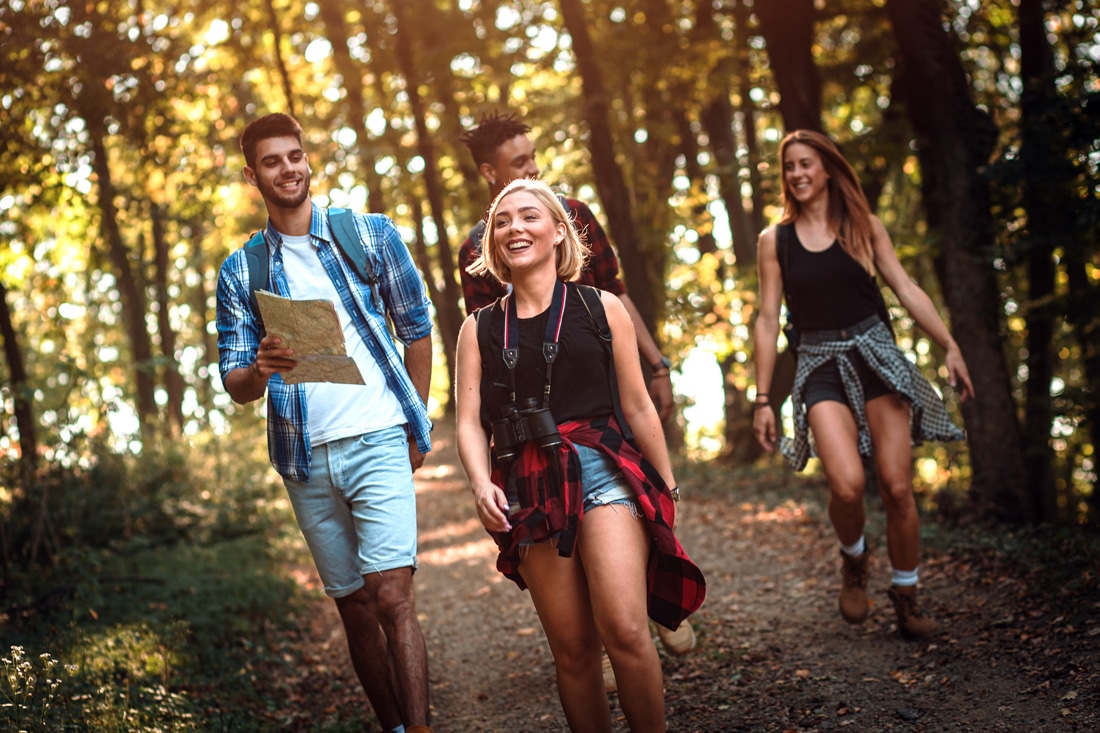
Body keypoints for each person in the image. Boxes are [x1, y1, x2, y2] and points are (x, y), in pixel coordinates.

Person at [454, 179, 705, 732]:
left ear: (559, 234)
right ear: (492, 245)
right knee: (572, 649)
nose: (514, 227)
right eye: (502, 222)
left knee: (626, 629)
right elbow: (468, 423)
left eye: (529, 216)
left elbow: (638, 407)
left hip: (605, 470)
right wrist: (479, 483)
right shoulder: (477, 329)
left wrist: (666, 488)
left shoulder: (603, 306)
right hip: (527, 482)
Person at [215, 113, 436, 733]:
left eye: (295, 155)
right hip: (304, 460)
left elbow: (416, 327)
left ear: (308, 160)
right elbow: (235, 384)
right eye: (271, 161)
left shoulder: (369, 236)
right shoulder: (241, 272)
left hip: (376, 435)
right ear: (251, 175)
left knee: (393, 598)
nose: (288, 169)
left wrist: (411, 421)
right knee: (357, 608)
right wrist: (260, 369)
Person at [752, 129, 975, 638]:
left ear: (828, 168)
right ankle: (854, 558)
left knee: (897, 488)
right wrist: (764, 398)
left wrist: (950, 345)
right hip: (818, 362)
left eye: (806, 163)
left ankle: (906, 597)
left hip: (876, 355)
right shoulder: (775, 241)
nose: (798, 174)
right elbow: (767, 321)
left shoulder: (862, 226)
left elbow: (905, 286)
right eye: (790, 166)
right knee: (848, 486)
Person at [458, 112, 676, 426]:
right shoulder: (475, 249)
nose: (533, 168)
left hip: (604, 390)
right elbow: (485, 344)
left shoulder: (573, 214)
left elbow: (614, 292)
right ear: (489, 171)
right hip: (534, 411)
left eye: (532, 158)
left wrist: (658, 367)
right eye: (520, 162)